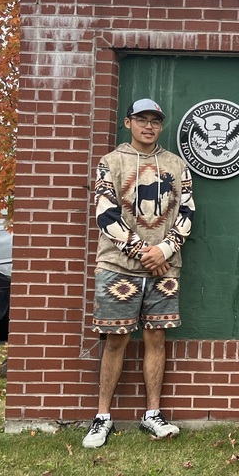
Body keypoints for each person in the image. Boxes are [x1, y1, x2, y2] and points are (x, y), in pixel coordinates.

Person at [83, 99, 195, 448]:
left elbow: (187, 212)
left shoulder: (177, 165)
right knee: (115, 340)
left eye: (156, 121)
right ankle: (102, 418)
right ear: (128, 123)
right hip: (118, 267)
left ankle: (152, 415)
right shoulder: (110, 163)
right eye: (142, 120)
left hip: (165, 267)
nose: (149, 126)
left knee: (156, 339)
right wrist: (143, 252)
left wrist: (164, 250)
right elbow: (105, 214)